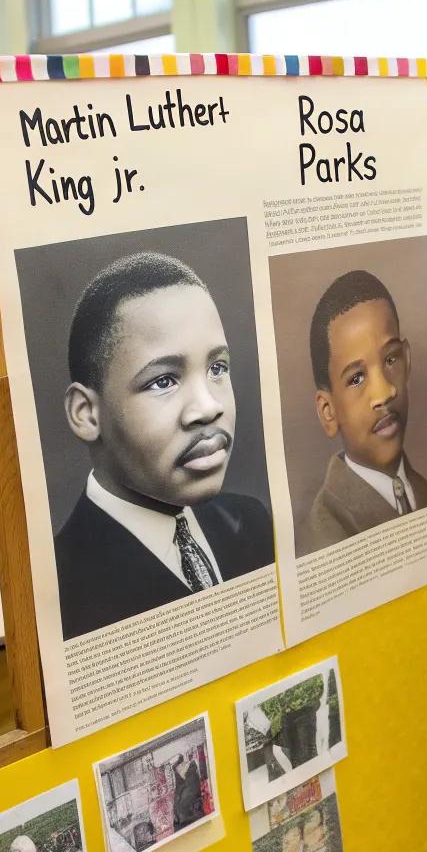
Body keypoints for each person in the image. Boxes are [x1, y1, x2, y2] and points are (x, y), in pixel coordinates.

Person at [53, 251, 274, 639]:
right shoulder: (61, 587)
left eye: (217, 368)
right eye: (163, 381)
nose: (209, 408)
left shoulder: (251, 523)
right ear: (87, 413)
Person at [302, 270, 427, 554]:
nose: (384, 393)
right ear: (328, 412)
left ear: (408, 360)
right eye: (356, 378)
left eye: (391, 359)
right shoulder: (326, 536)